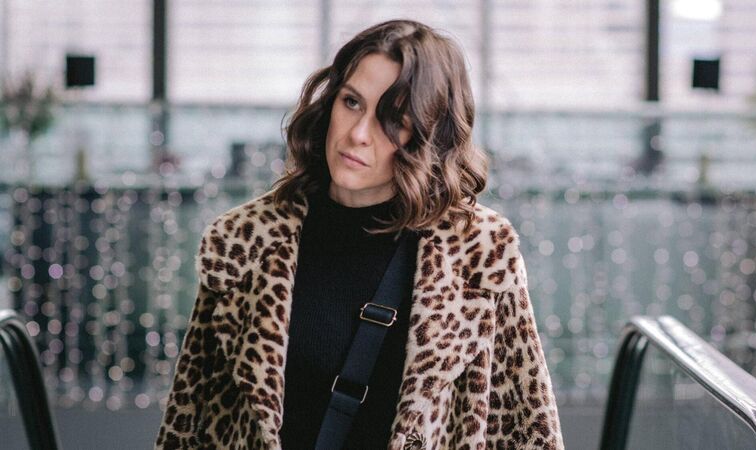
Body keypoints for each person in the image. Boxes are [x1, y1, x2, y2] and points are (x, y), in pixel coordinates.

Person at [155, 19, 563, 450]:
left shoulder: (478, 253)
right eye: (351, 102)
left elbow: (529, 430)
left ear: (430, 135)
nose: (358, 134)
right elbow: (188, 423)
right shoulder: (245, 242)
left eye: (393, 119)